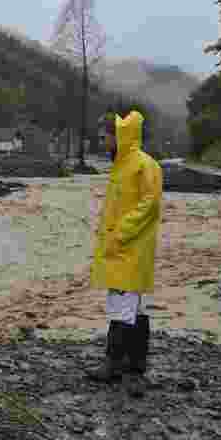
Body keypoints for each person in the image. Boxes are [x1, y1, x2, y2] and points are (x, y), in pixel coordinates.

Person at [87, 110, 163, 397]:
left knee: (122, 309)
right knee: (135, 310)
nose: (100, 142)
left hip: (129, 248)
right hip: (126, 247)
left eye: (103, 137)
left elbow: (149, 205)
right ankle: (135, 366)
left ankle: (115, 364)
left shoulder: (143, 165)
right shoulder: (124, 164)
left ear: (118, 136)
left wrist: (120, 234)